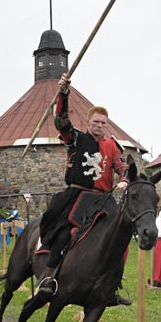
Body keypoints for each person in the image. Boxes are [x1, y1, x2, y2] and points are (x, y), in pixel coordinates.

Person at [38, 74, 130, 300]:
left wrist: (125, 179)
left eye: (103, 123)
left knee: (120, 236)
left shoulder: (111, 145)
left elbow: (121, 165)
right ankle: (50, 277)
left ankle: (112, 285)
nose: (100, 126)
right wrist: (64, 94)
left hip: (104, 199)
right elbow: (60, 120)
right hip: (78, 196)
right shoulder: (76, 139)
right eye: (96, 122)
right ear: (88, 123)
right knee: (63, 234)